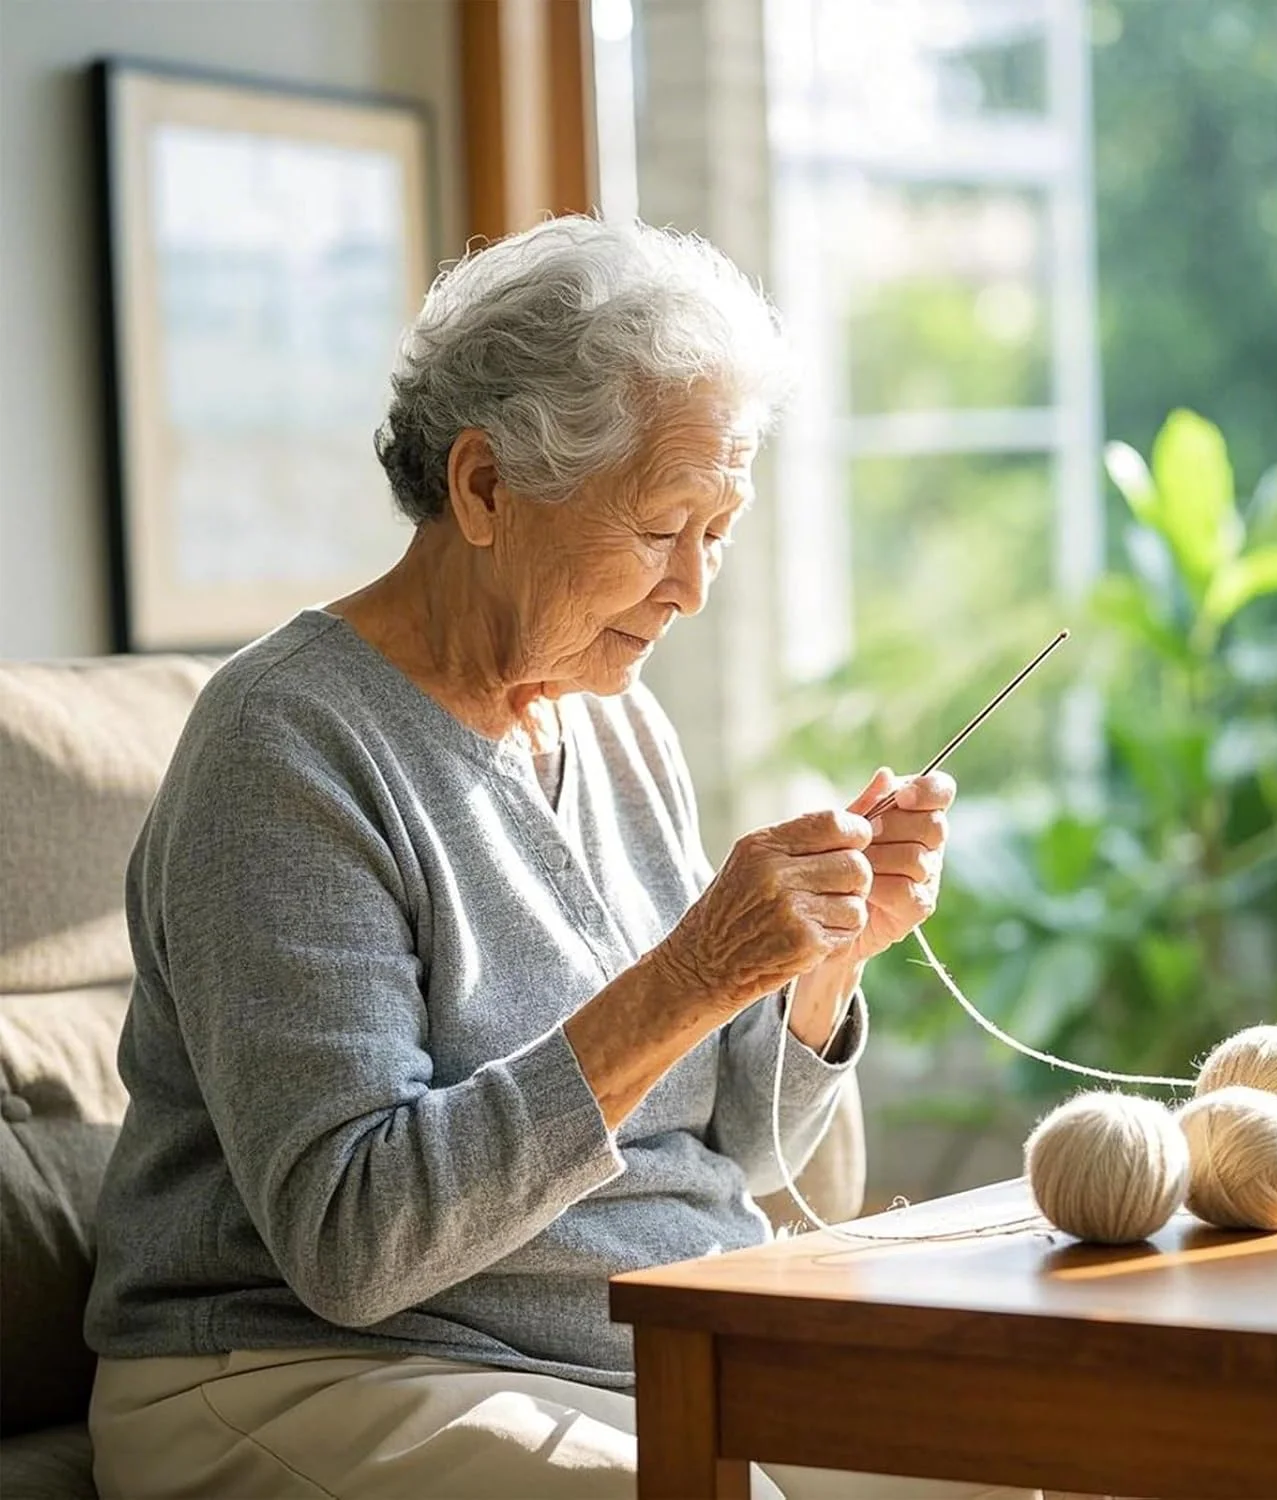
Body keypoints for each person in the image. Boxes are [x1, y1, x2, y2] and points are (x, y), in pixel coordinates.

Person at [85, 216, 1022, 1500]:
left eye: (720, 530)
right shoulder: (284, 745)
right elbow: (354, 1242)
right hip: (316, 1371)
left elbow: (738, 1157)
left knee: (1029, 1451)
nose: (693, 586)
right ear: (484, 488)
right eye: (663, 525)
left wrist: (821, 968)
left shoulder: (615, 718)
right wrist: (693, 974)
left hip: (649, 1351)